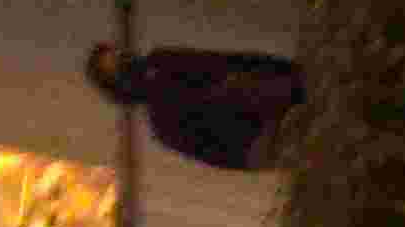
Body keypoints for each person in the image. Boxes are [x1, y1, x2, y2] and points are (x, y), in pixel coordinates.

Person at [84, 41, 306, 174]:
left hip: (282, 93)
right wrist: (269, 147)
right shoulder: (162, 123)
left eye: (120, 54)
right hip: (272, 133)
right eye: (119, 66)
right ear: (119, 87)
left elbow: (225, 61)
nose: (125, 58)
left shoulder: (164, 61)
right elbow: (220, 153)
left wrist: (283, 68)